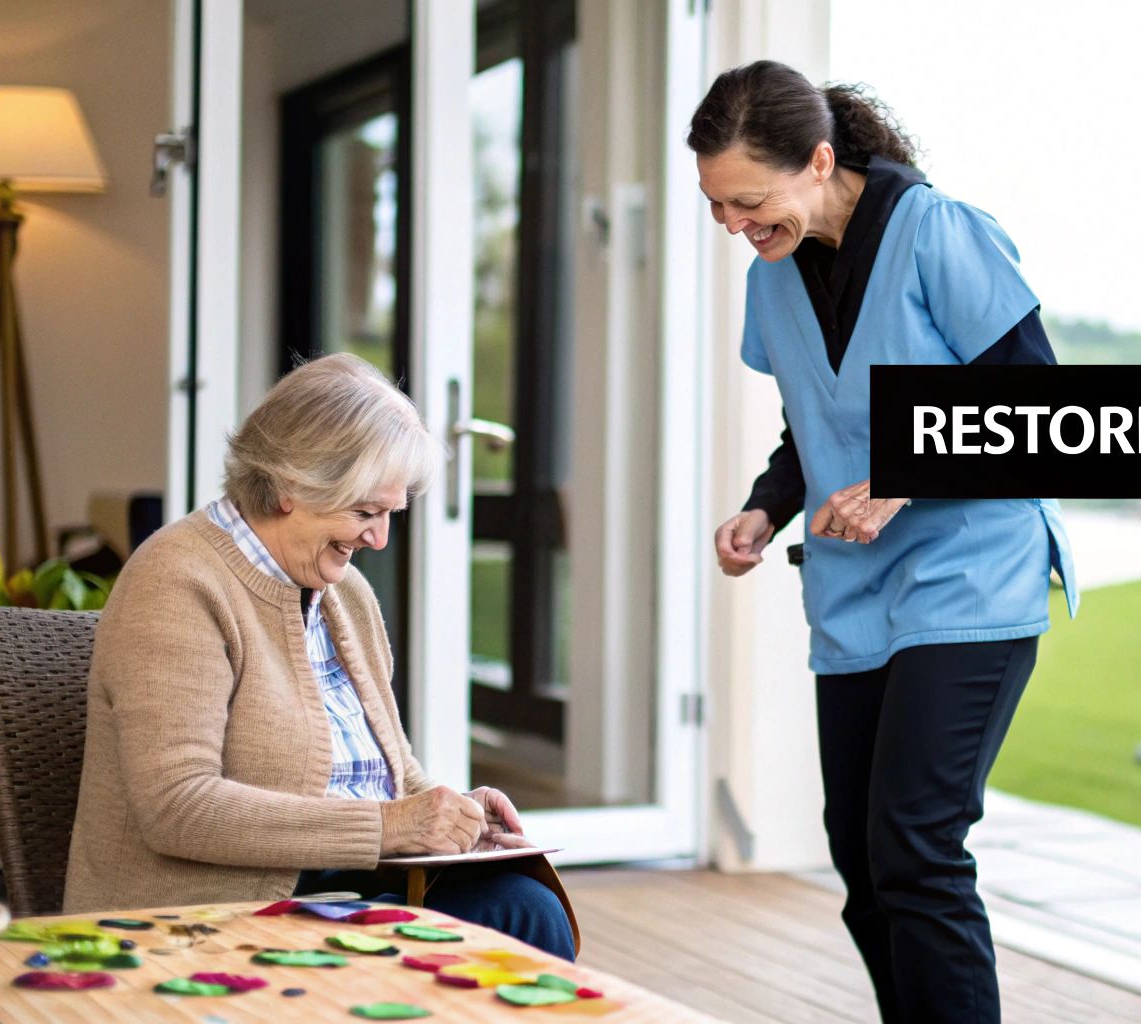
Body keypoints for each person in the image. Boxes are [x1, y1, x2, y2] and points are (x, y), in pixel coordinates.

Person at [691, 60, 1078, 1024]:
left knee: (916, 844)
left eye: (750, 200)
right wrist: (764, 507)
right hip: (856, 585)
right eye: (719, 208)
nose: (737, 225)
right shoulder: (773, 277)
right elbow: (811, 420)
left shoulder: (938, 233)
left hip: (971, 573)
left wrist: (907, 476)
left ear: (818, 161)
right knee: (861, 858)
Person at [63, 353, 576, 959]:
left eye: (390, 514)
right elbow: (178, 807)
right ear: (289, 486)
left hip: (338, 887)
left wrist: (454, 814)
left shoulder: (343, 593)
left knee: (525, 905)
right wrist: (391, 827)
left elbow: (393, 775)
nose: (379, 538)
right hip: (209, 918)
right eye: (365, 512)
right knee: (517, 918)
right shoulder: (177, 581)